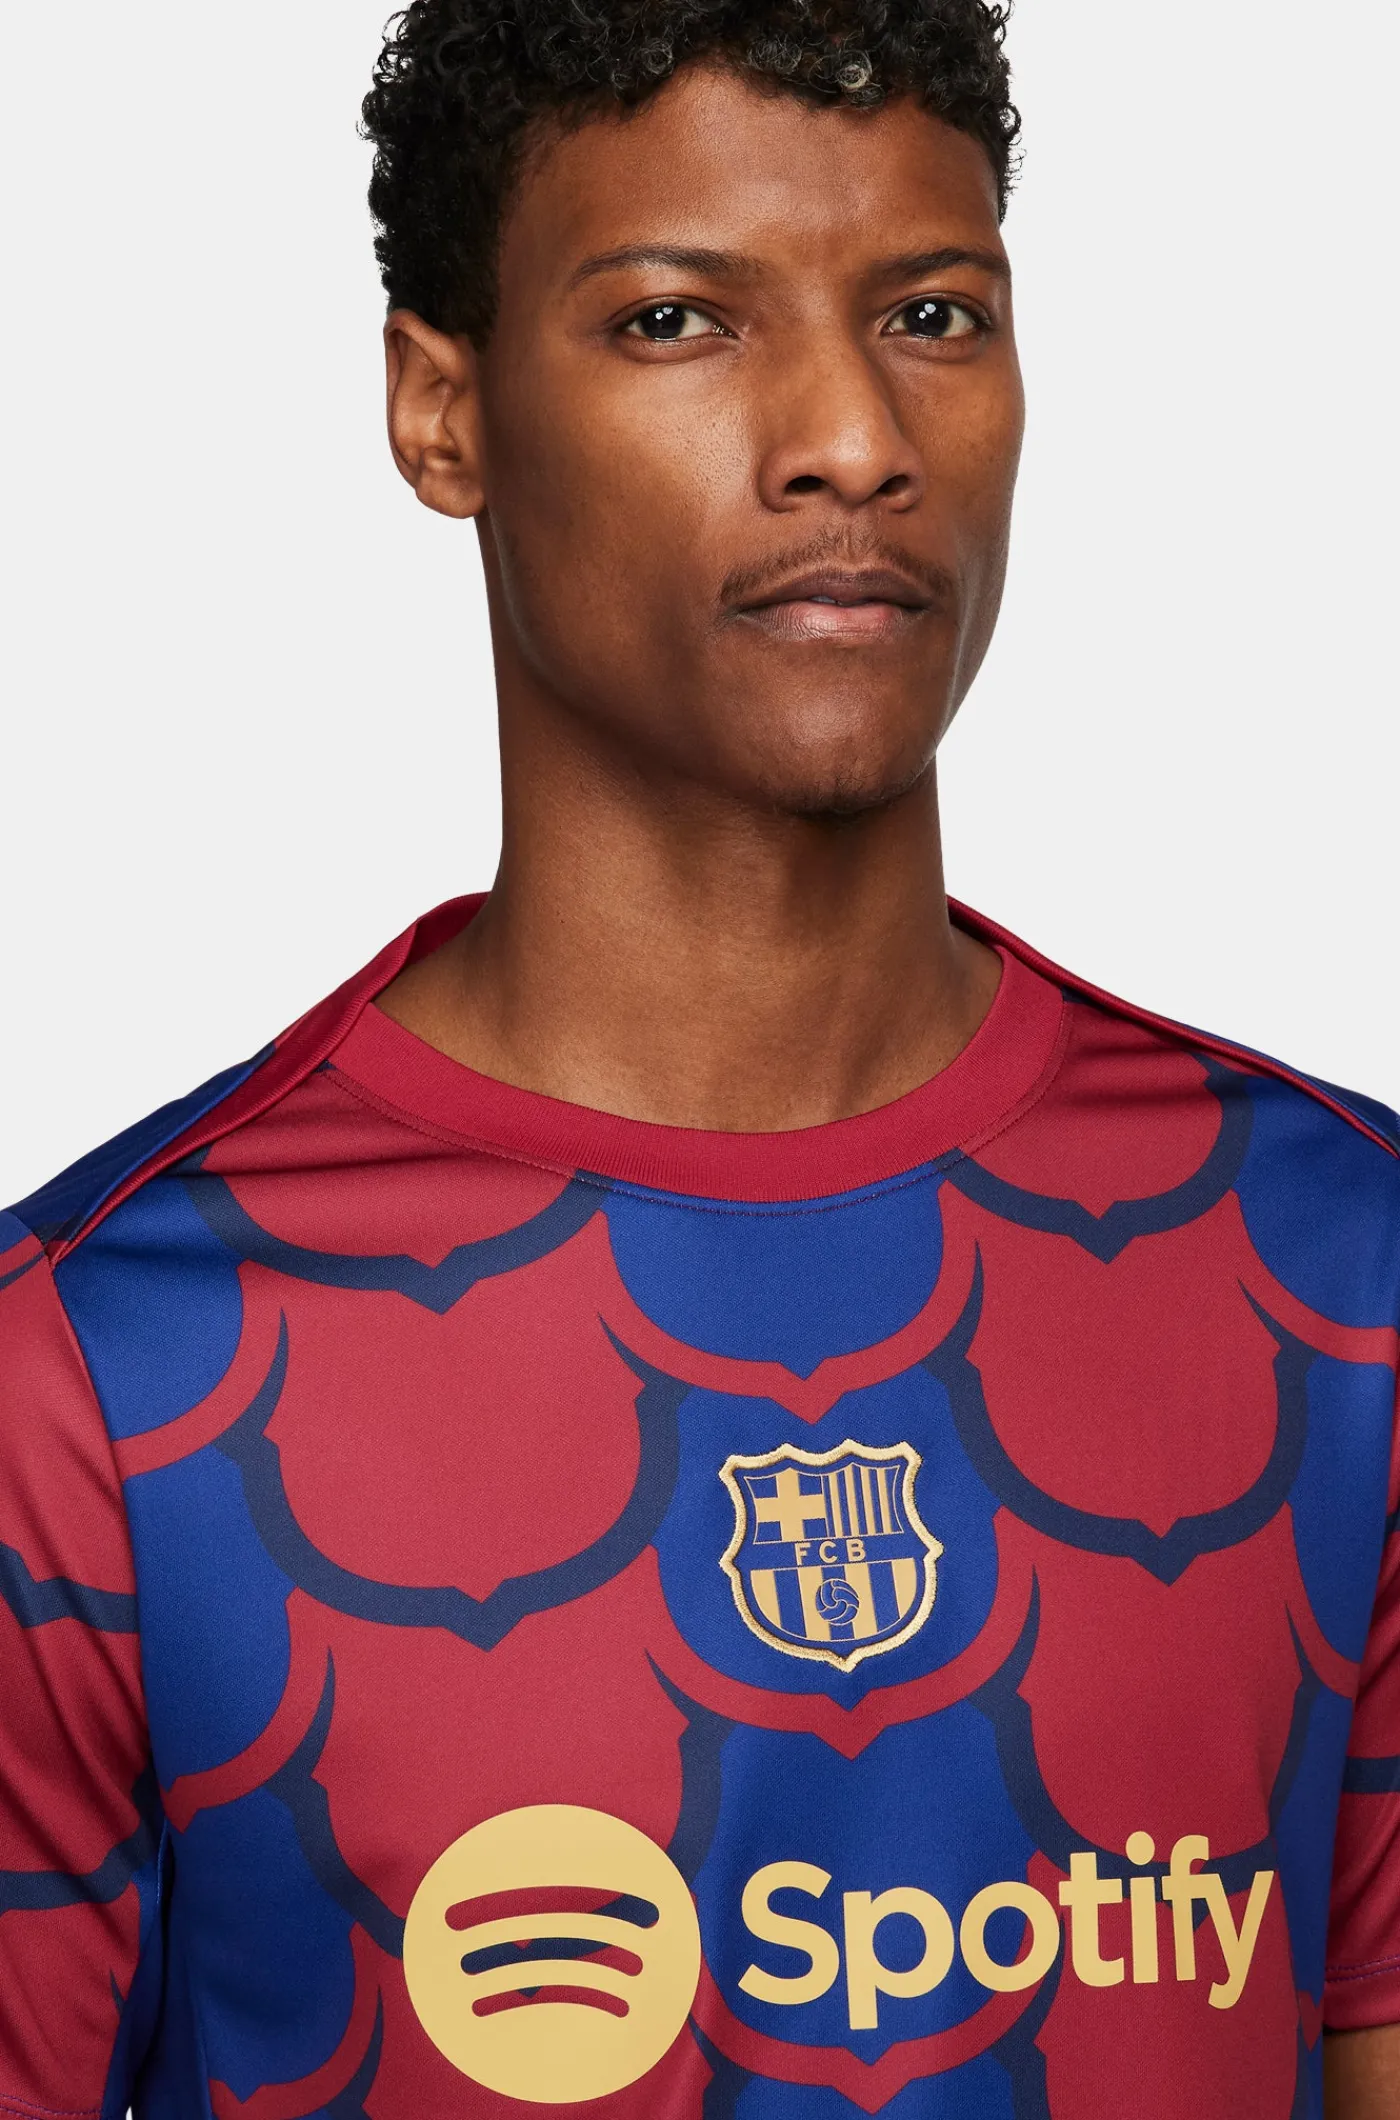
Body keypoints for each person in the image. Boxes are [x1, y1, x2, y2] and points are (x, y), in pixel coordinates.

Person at [1, 1, 1396, 2112]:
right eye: (676, 321)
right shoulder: (96, 1375)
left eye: (931, 313)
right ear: (442, 412)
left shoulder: (1345, 1273)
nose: (850, 435)